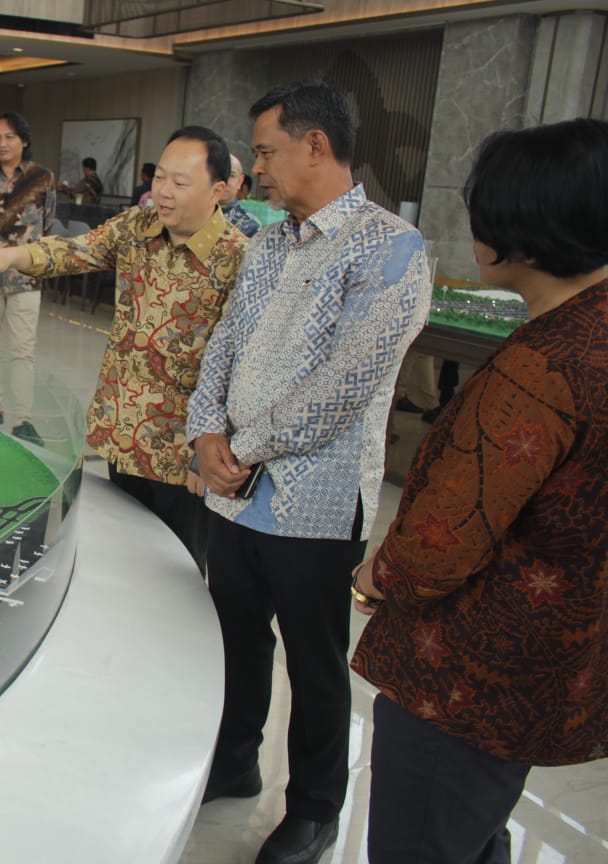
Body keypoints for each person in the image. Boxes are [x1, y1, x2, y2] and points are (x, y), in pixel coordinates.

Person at [350, 118, 608, 864]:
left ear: (521, 227)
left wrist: (373, 579)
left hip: (464, 676)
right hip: (548, 660)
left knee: (421, 841)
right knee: (470, 834)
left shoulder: (541, 371)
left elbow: (438, 543)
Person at [186, 81, 432, 864]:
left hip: (312, 505)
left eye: (265, 151)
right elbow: (223, 344)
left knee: (316, 665)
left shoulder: (391, 247)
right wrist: (204, 432)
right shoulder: (265, 242)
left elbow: (346, 385)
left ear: (316, 146)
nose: (256, 168)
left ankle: (316, 810)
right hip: (232, 493)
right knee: (234, 640)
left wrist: (242, 447)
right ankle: (232, 765)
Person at [0, 127, 247, 572]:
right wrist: (12, 256)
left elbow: (237, 367)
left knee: (175, 576)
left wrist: (205, 452)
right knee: (120, 564)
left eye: (180, 183)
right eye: (159, 179)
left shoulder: (238, 259)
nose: (164, 193)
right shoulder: (138, 227)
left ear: (219, 190)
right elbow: (76, 251)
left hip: (181, 455)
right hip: (123, 435)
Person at [0, 111, 56, 445]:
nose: (2, 144)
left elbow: (48, 227)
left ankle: (23, 419)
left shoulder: (42, 178)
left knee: (22, 350)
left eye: (9, 137)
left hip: (25, 278)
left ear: (24, 141)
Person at [219, 154, 261, 238]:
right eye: (218, 173)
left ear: (240, 181)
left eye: (231, 175)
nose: (224, 181)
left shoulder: (250, 224)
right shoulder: (192, 215)